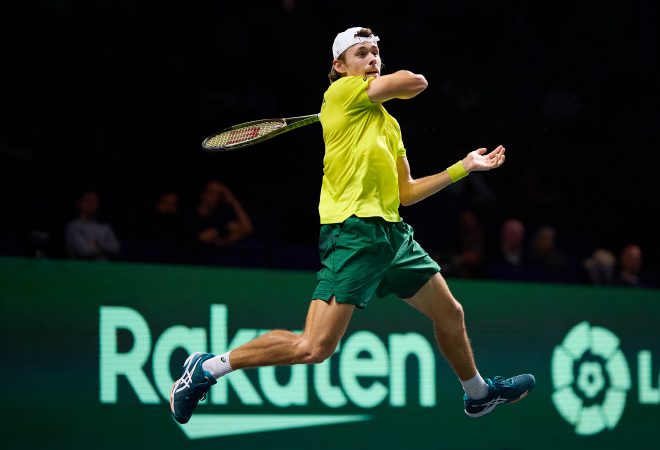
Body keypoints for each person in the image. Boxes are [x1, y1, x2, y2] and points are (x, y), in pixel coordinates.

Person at [170, 26, 534, 425]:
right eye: (362, 53)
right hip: (354, 231)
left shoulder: (389, 125)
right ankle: (207, 369)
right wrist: (388, 81)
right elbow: (416, 82)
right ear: (339, 67)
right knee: (313, 347)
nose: (373, 59)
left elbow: (406, 192)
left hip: (392, 235)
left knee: (450, 314)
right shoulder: (341, 94)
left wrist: (463, 168)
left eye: (376, 52)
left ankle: (478, 395)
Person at [187, 179, 254, 248]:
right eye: (212, 192)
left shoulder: (220, 217)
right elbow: (203, 237)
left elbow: (248, 229)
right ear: (203, 194)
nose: (216, 197)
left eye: (219, 194)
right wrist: (224, 230)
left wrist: (233, 201)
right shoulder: (190, 215)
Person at [64, 190, 121, 260]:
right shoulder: (73, 227)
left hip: (105, 268)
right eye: (88, 201)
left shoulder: (105, 228)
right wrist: (104, 247)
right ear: (79, 204)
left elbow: (116, 248)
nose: (92, 204)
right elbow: (84, 251)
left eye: (95, 201)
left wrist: (97, 244)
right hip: (82, 269)